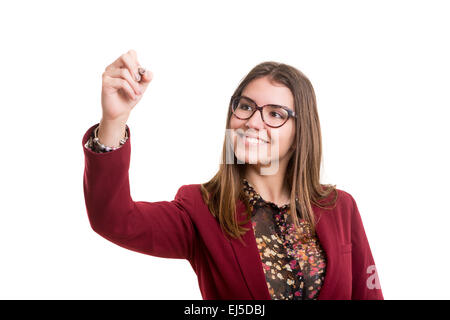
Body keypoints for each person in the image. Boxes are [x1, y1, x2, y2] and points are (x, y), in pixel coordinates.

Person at [82, 49, 384, 300]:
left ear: (300, 132)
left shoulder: (340, 207)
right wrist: (114, 120)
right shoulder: (200, 209)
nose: (253, 122)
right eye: (245, 107)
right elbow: (114, 219)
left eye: (275, 114)